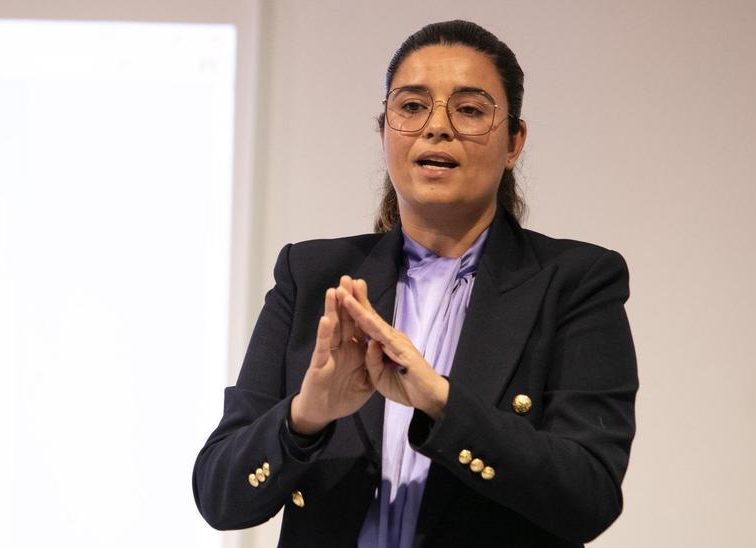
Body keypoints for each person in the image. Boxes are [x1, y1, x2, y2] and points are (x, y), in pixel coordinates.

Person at [193, 20, 637, 547]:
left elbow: (589, 497)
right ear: (384, 131)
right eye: (411, 106)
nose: (437, 127)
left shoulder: (576, 281)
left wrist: (443, 404)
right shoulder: (312, 276)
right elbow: (219, 497)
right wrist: (304, 417)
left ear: (514, 141)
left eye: (470, 110)